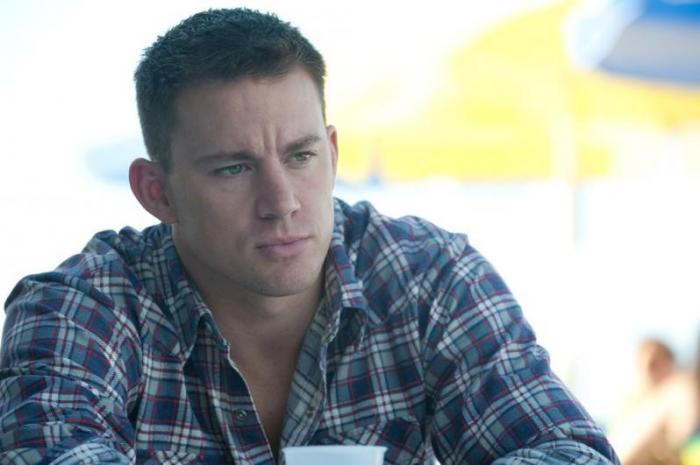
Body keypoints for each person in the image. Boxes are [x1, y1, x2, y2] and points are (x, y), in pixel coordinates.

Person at [0, 8, 619, 465]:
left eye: (300, 156)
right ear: (156, 192)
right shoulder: (85, 303)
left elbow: (568, 451)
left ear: (333, 152)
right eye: (233, 168)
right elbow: (48, 452)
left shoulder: (427, 276)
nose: (282, 202)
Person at [609, 339, 700, 465]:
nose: (647, 372)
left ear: (670, 364)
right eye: (642, 366)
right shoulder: (635, 400)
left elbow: (682, 433)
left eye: (653, 364)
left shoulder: (678, 389)